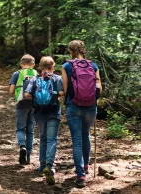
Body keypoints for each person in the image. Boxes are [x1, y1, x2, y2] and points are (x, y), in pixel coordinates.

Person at [61, 40, 102, 188]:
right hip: (91, 106)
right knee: (86, 135)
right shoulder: (93, 65)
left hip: (73, 106)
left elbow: (65, 90)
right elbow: (99, 88)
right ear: (83, 50)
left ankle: (80, 175)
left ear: (70, 51)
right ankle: (86, 165)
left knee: (77, 139)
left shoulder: (66, 66)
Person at [24, 56, 64, 185]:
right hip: (53, 112)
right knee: (52, 139)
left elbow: (27, 94)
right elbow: (62, 92)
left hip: (39, 113)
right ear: (53, 67)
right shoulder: (57, 78)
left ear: (40, 67)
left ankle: (41, 167)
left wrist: (39, 97)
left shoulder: (35, 79)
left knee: (43, 138)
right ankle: (49, 166)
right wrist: (55, 94)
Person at [9, 54, 38, 165]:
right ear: (33, 65)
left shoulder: (17, 74)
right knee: (30, 130)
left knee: (20, 128)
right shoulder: (37, 74)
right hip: (34, 105)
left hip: (21, 104)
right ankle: (29, 156)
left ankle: (22, 146)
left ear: (21, 64)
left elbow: (11, 92)